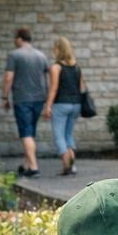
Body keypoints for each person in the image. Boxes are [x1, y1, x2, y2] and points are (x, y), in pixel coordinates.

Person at [1, 27, 51, 178]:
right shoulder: (41, 56)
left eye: (15, 38)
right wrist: (47, 100)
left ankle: (34, 168)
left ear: (20, 39)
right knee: (30, 132)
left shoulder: (14, 55)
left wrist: (4, 97)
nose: (14, 41)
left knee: (26, 133)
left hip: (22, 99)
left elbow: (8, 77)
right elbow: (47, 79)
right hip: (39, 99)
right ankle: (25, 164)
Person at [43, 36, 84, 176]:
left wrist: (47, 106)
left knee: (59, 136)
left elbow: (53, 89)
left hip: (61, 105)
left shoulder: (56, 67)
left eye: (54, 48)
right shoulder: (76, 66)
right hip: (76, 105)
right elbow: (81, 87)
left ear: (58, 49)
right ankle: (73, 166)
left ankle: (66, 166)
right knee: (67, 135)